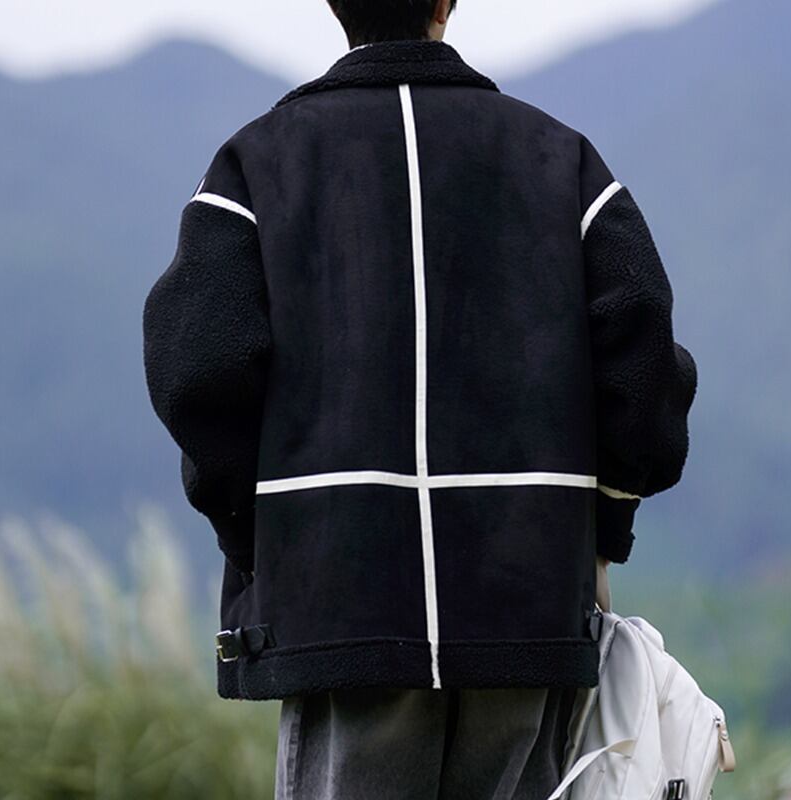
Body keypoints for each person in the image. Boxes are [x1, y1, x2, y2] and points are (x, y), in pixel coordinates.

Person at [141, 0, 698, 797]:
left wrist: (259, 538)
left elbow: (199, 370)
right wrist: (604, 524)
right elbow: (641, 358)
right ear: (447, 3)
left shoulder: (253, 166)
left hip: (339, 604)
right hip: (526, 600)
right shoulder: (564, 161)